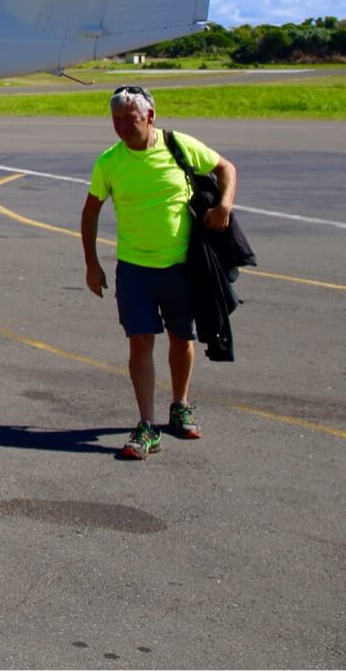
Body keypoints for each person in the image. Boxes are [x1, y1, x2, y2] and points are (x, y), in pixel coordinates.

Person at [80, 84, 238, 461]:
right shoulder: (109, 161)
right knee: (140, 343)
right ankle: (147, 425)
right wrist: (91, 263)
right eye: (115, 120)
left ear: (150, 116)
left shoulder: (177, 146)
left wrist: (225, 204)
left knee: (182, 339)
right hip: (135, 269)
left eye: (130, 119)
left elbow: (225, 168)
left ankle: (181, 405)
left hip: (181, 266)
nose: (122, 126)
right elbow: (90, 212)